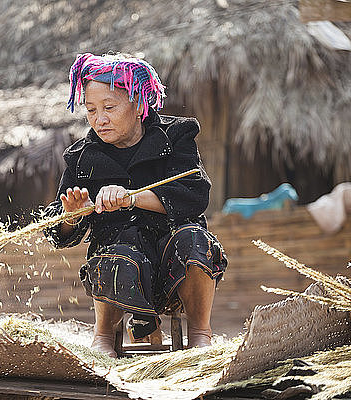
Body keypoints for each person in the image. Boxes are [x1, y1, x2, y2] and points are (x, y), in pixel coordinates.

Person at [44, 53, 227, 358]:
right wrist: (71, 216)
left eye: (109, 108)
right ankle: (103, 334)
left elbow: (195, 195)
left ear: (139, 103)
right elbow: (57, 230)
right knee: (113, 252)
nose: (99, 119)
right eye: (91, 110)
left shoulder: (176, 136)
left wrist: (132, 197)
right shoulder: (81, 158)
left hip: (174, 263)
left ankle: (200, 333)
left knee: (195, 239)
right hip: (121, 267)